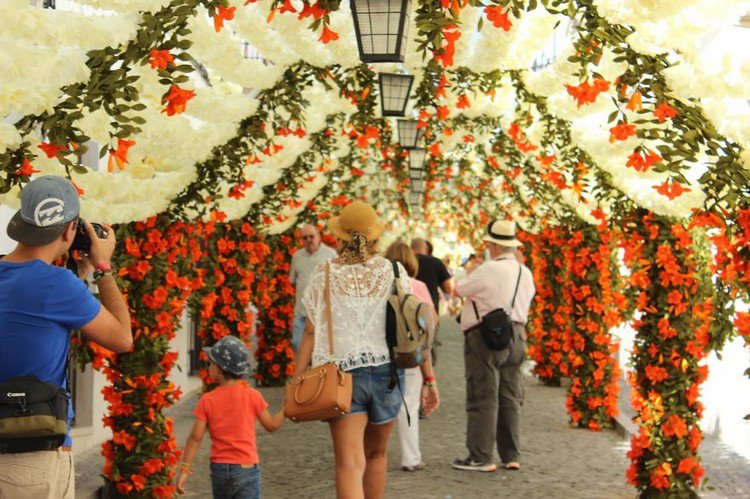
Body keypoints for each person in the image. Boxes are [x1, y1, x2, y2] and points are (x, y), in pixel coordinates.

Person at [294, 202, 439, 498]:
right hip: (388, 374)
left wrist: (296, 377)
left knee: (349, 463)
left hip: (342, 376)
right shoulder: (395, 271)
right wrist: (429, 378)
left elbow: (310, 330)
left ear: (340, 237)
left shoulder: (325, 272)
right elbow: (411, 326)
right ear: (373, 236)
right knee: (377, 455)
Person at [0, 175, 132, 498]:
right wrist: (102, 266)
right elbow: (122, 338)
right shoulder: (57, 285)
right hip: (34, 459)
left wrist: (79, 277)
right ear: (71, 230)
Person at [452, 220, 535, 472]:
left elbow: (459, 289)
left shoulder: (488, 269)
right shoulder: (525, 272)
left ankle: (481, 456)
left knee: (482, 394)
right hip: (517, 336)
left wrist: (470, 272)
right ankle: (511, 455)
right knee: (510, 396)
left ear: (493, 245)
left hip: (485, 337)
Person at [176, 335, 285, 498]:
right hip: (247, 468)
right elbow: (271, 425)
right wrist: (286, 409)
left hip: (220, 470)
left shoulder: (207, 400)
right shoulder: (252, 395)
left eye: (210, 363)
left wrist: (184, 470)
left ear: (220, 369)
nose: (208, 366)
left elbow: (195, 438)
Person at [383, 241, 439, 473]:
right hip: (407, 355)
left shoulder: (379, 286)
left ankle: (373, 455)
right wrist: (430, 378)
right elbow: (428, 328)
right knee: (409, 404)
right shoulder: (418, 287)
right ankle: (411, 458)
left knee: (379, 407)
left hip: (381, 354)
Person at [289, 223, 337, 351]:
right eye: (305, 238)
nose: (309, 240)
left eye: (311, 236)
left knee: (322, 351)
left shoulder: (330, 254)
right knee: (297, 346)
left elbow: (338, 282)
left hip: (322, 314)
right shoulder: (297, 256)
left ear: (318, 237)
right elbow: (293, 281)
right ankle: (303, 371)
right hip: (301, 313)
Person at [410, 238, 453, 313]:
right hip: (430, 310)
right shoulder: (435, 262)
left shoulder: (404, 261)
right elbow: (448, 289)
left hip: (408, 307)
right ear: (426, 248)